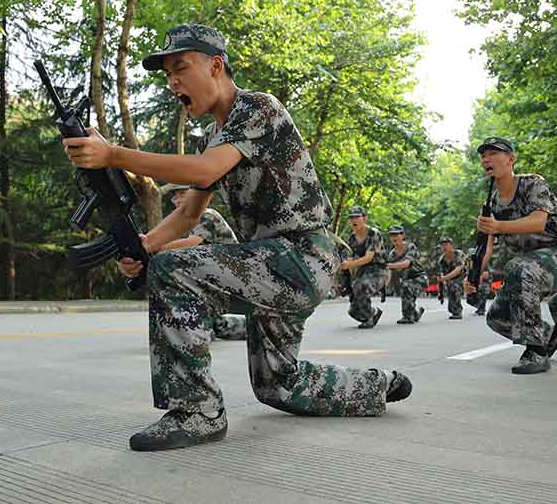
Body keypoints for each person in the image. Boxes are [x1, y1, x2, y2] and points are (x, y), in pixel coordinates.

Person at [62, 23, 412, 451]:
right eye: (167, 75)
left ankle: (198, 411)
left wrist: (113, 154)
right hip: (272, 265)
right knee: (278, 384)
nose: (172, 82)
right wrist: (146, 245)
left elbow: (205, 171)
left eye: (180, 68)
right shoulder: (216, 137)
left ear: (215, 66)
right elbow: (190, 212)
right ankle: (378, 385)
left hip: (301, 258)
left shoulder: (258, 108)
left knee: (174, 270)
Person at [475, 137, 557, 374]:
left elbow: (538, 222)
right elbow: (486, 249)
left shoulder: (532, 184)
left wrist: (499, 226)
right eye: (483, 156)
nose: (486, 159)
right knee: (497, 317)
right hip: (529, 267)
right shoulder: (492, 204)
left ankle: (536, 351)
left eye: (493, 154)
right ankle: (550, 336)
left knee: (517, 267)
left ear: (511, 159)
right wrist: (471, 278)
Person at [160, 183, 246, 341]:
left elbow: (193, 243)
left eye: (183, 194)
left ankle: (199, 327)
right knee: (219, 327)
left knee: (177, 271)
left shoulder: (207, 214)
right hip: (216, 276)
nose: (177, 200)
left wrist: (156, 248)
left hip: (234, 276)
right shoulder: (185, 223)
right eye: (175, 196)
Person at [343, 206, 388, 329]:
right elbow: (350, 259)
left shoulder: (373, 233)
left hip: (379, 270)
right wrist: (349, 276)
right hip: (363, 271)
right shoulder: (351, 238)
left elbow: (368, 257)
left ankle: (369, 317)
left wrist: (349, 264)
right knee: (353, 311)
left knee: (361, 286)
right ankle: (374, 313)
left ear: (365, 218)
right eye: (351, 217)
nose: (354, 220)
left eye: (357, 217)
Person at [386, 225, 427, 324]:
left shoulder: (410, 247)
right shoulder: (392, 254)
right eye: (391, 235)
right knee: (406, 287)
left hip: (420, 278)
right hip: (407, 280)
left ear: (403, 235)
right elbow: (389, 271)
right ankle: (416, 313)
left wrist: (389, 265)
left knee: (406, 286)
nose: (394, 237)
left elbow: (406, 264)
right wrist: (385, 285)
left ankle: (407, 317)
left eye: (396, 234)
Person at [436, 237, 466, 320]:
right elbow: (440, 275)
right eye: (442, 245)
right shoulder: (441, 260)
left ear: (451, 245)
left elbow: (458, 270)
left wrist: (444, 278)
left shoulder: (458, 254)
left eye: (446, 244)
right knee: (451, 285)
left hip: (465, 276)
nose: (444, 247)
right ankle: (454, 310)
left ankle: (458, 311)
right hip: (451, 279)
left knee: (453, 285)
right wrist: (441, 292)